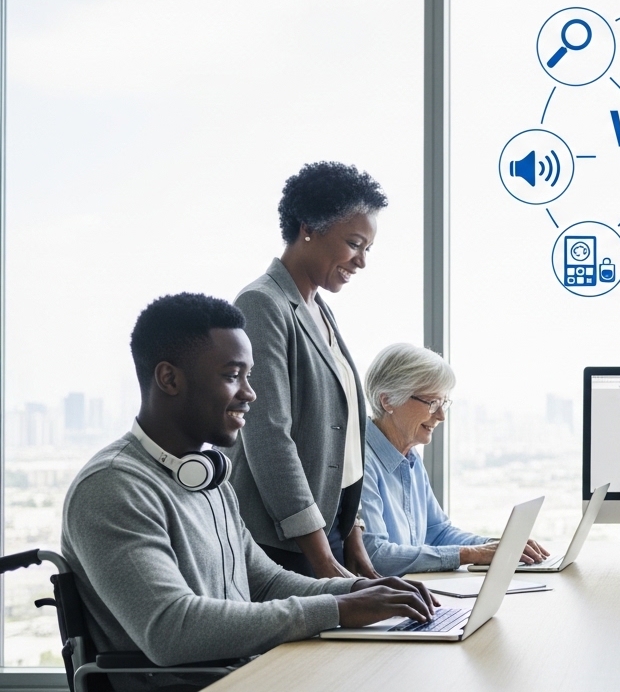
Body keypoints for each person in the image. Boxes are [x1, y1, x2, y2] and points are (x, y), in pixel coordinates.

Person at [61, 294, 437, 690]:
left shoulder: (208, 477)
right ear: (169, 379)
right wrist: (339, 607)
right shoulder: (113, 487)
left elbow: (267, 583)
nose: (250, 393)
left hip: (247, 676)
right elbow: (172, 630)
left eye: (248, 375)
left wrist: (362, 589)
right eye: (231, 375)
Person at [225, 161, 388, 578]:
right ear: (308, 228)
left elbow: (342, 438)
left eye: (368, 249)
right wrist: (322, 561)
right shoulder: (263, 304)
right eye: (354, 244)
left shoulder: (320, 309)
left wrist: (352, 538)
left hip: (329, 531)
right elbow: (269, 438)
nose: (362, 261)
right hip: (285, 542)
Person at [360, 343, 549, 576]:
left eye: (443, 403)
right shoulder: (360, 462)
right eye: (432, 403)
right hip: (383, 606)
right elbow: (376, 556)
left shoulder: (409, 457)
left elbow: (438, 532)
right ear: (387, 401)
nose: (441, 416)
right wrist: (472, 554)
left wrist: (495, 545)